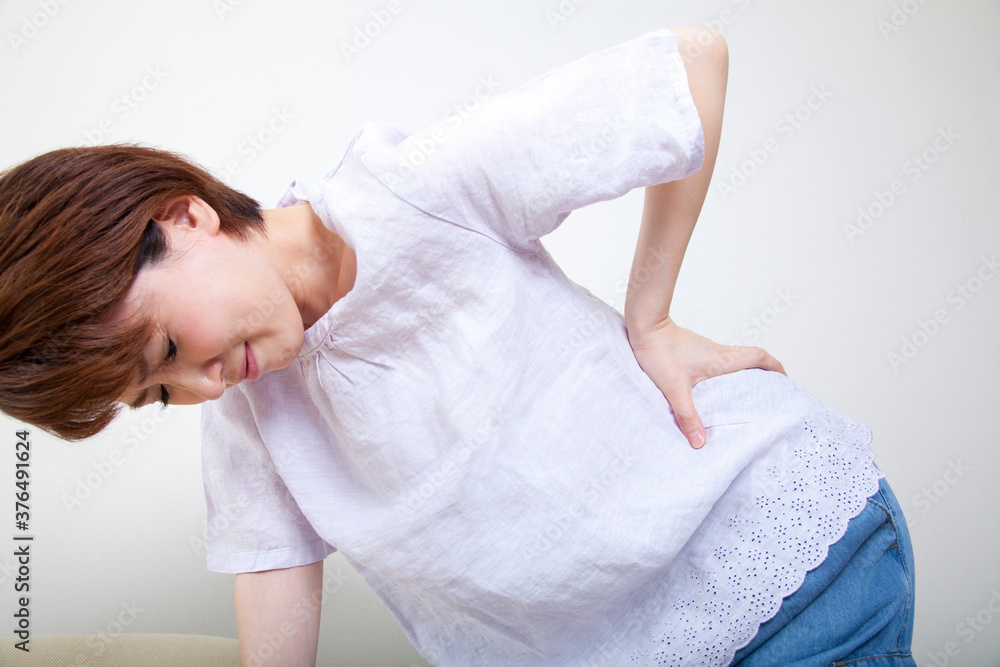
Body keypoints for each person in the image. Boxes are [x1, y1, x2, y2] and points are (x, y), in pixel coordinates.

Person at [0, 26, 915, 667]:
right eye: (158, 393)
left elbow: (691, 66)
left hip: (788, 565)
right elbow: (274, 603)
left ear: (185, 217)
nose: (195, 383)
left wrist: (653, 320)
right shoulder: (250, 415)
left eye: (165, 344)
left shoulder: (409, 191)